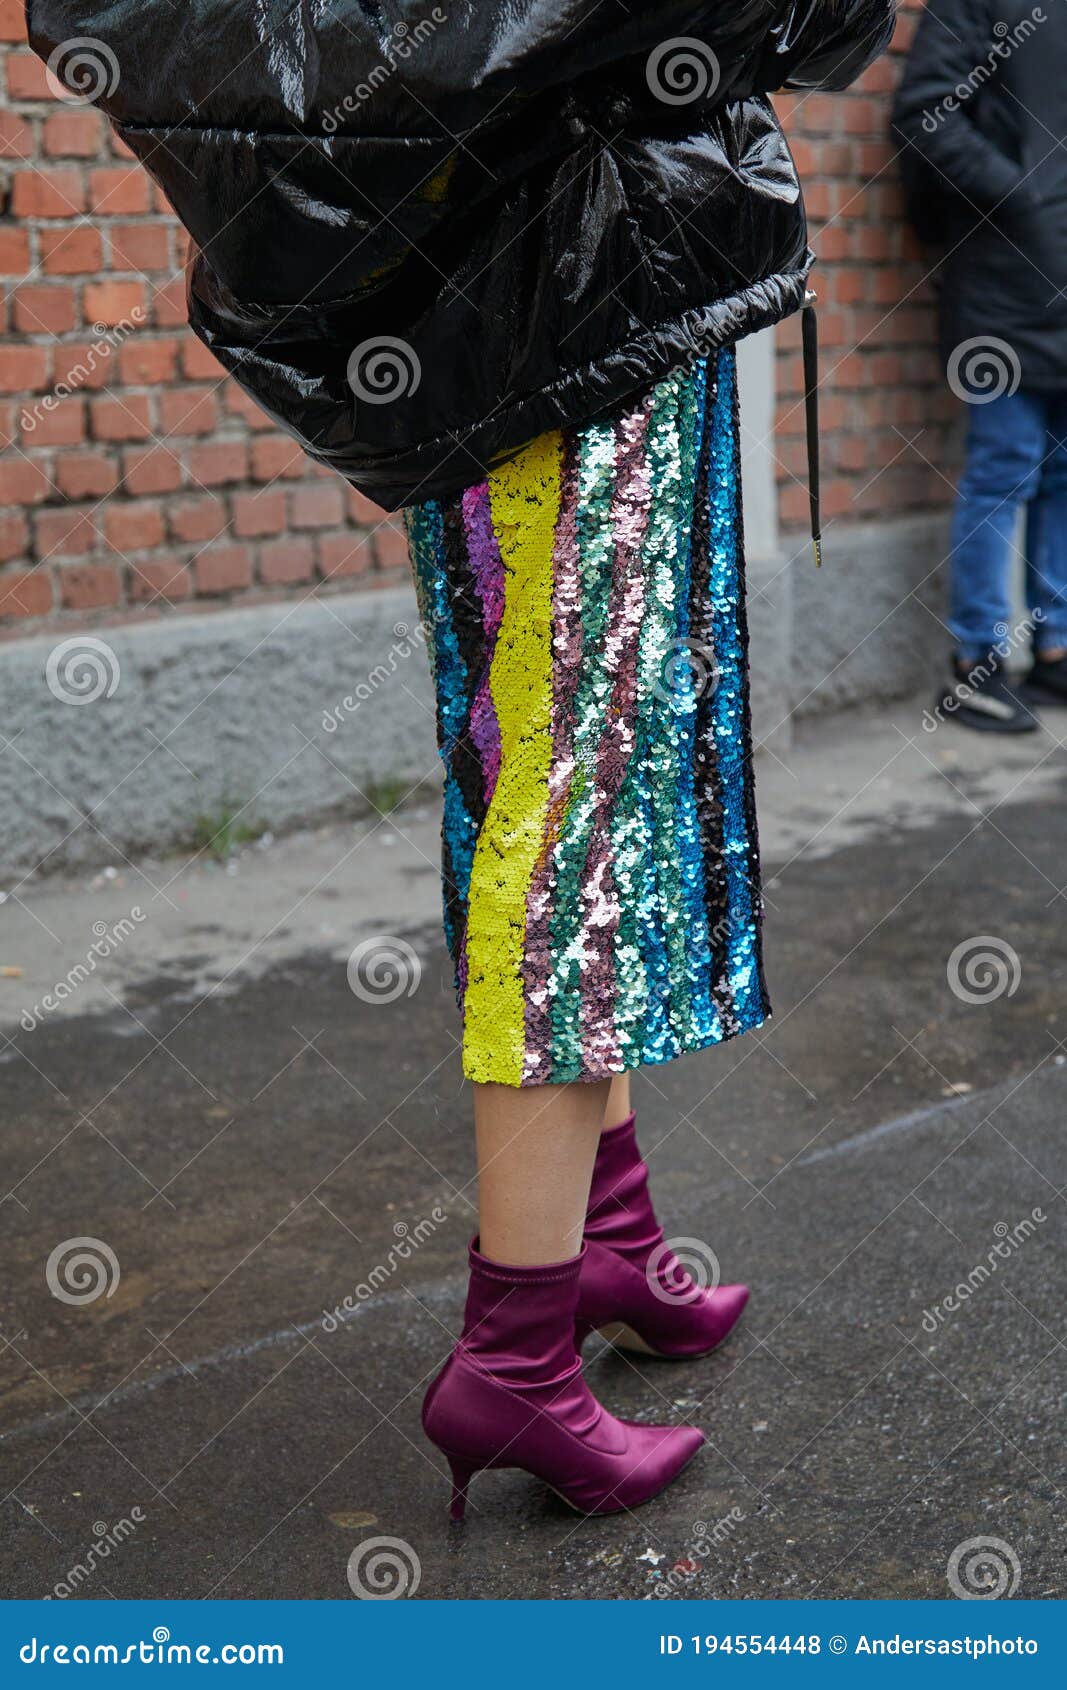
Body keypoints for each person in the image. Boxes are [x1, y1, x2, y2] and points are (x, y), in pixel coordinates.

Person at [30, 0, 895, 1519]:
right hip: (566, 309)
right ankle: (512, 1357)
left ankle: (603, 1240)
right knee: (568, 807)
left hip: (511, 303)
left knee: (552, 777)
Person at [893, 0, 1067, 734]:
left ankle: (1055, 646)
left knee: (1062, 467)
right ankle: (976, 663)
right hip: (1007, 281)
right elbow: (924, 114)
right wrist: (1022, 195)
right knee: (1006, 464)